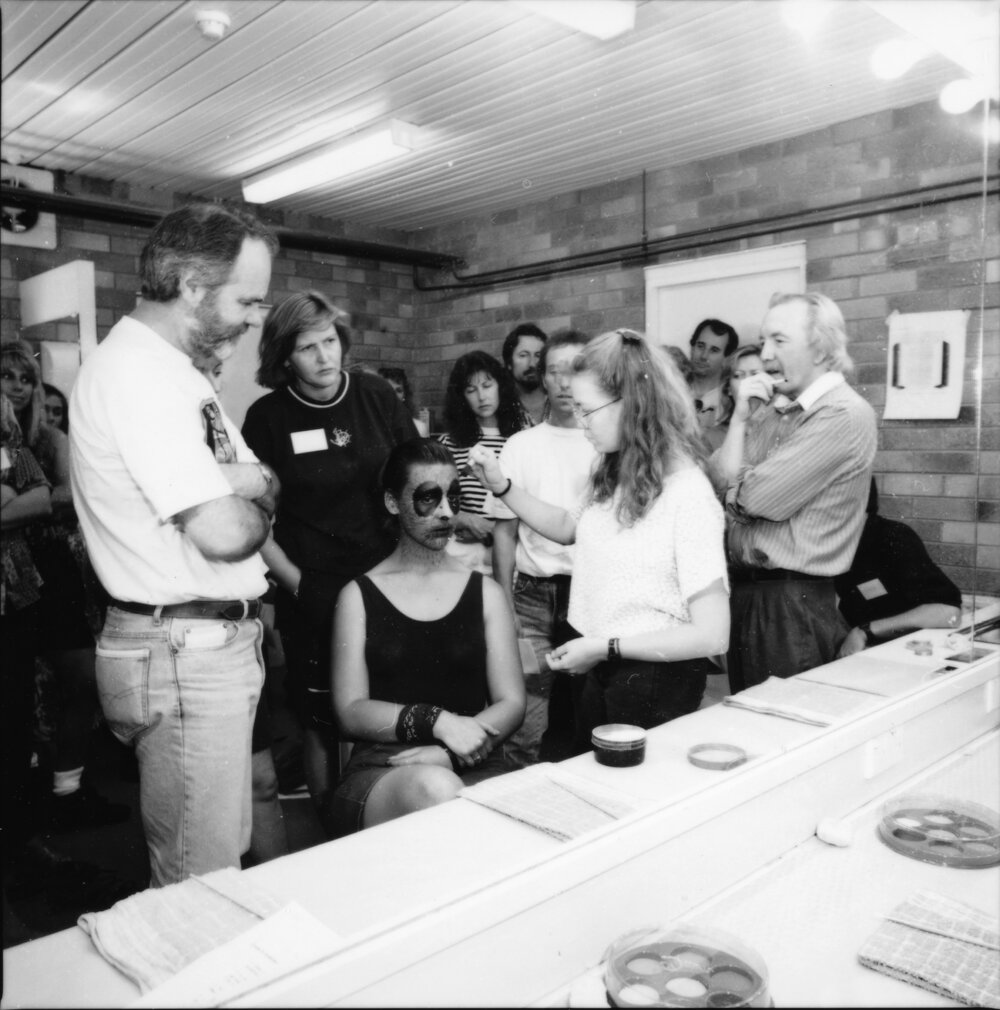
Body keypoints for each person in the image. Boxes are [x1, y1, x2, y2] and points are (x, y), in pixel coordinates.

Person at [70, 203, 279, 886]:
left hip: (206, 646)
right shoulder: (138, 374)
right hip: (185, 650)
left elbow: (262, 484)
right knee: (199, 882)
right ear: (192, 284)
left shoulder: (179, 374)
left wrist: (254, 484)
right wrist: (257, 492)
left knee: (217, 856)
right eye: (247, 300)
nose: (255, 319)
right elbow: (227, 531)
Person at [470, 328, 729, 748]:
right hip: (599, 661)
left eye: (588, 411)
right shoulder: (611, 469)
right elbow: (568, 527)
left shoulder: (687, 492)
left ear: (633, 405)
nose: (581, 423)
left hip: (651, 679)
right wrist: (502, 486)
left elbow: (712, 634)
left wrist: (604, 647)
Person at [242, 291, 417, 832]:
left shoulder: (374, 395)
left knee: (391, 705)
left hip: (387, 582)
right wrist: (297, 586)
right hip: (312, 590)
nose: (325, 356)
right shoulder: (267, 417)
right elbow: (250, 521)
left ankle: (389, 820)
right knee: (322, 720)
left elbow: (415, 478)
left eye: (330, 341)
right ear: (283, 358)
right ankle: (333, 829)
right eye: (308, 348)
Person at [330, 438, 525, 835]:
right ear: (391, 502)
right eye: (427, 498)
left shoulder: (485, 592)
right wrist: (434, 721)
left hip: (472, 760)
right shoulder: (358, 596)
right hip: (387, 771)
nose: (446, 512)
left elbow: (512, 701)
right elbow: (349, 711)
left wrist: (450, 751)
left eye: (452, 497)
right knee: (436, 791)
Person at [710, 292, 877, 691]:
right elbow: (712, 479)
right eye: (764, 340)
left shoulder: (843, 414)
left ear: (821, 347)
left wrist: (739, 485)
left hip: (790, 608)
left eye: (779, 341)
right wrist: (737, 423)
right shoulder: (773, 409)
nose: (764, 355)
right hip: (754, 599)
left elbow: (757, 499)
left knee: (784, 733)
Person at [1, 339, 126, 832]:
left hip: (51, 572)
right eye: (7, 376)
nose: (17, 386)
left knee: (81, 675)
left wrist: (29, 502)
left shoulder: (50, 439)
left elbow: (70, 498)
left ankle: (67, 788)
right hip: (12, 580)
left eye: (25, 378)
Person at [490, 329, 598, 767]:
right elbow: (504, 532)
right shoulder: (520, 445)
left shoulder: (605, 444)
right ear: (543, 378)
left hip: (592, 597)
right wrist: (503, 605)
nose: (566, 382)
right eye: (555, 371)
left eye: (576, 371)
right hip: (532, 598)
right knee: (526, 723)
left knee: (592, 719)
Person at [835, 481, 962, 657]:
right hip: (868, 655)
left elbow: (949, 613)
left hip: (913, 654)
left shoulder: (893, 537)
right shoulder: (834, 545)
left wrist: (865, 631)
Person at [439, 349, 525, 576]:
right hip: (460, 555)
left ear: (500, 386)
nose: (481, 396)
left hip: (510, 554)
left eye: (487, 386)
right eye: (471, 390)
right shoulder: (449, 443)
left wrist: (496, 529)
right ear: (462, 397)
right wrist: (464, 519)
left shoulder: (521, 438)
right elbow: (433, 504)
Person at [688, 318, 738, 433]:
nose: (704, 356)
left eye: (714, 350)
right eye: (700, 346)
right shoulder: (671, 391)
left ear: (727, 358)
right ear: (692, 347)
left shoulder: (732, 403)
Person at [501, 323, 548, 427]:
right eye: (523, 355)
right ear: (509, 363)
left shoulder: (558, 402)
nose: (532, 363)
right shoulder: (499, 407)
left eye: (538, 355)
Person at [379, 366, 430, 436]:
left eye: (398, 391)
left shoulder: (419, 428)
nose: (394, 395)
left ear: (405, 395)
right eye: (388, 390)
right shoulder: (372, 426)